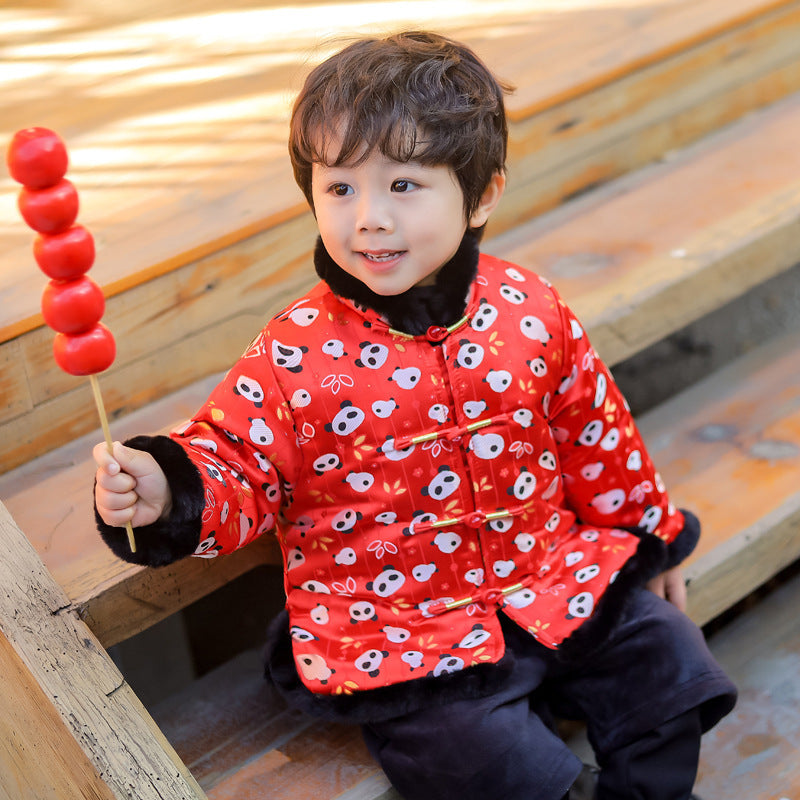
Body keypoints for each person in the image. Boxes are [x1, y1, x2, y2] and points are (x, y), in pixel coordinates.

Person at [93, 30, 736, 800]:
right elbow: (238, 457)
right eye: (340, 188)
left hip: (550, 578)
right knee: (470, 755)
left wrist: (650, 538)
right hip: (404, 633)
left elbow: (594, 431)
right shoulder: (296, 353)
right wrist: (168, 490)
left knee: (668, 657)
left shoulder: (528, 311)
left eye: (403, 186)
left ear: (483, 194)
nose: (369, 218)